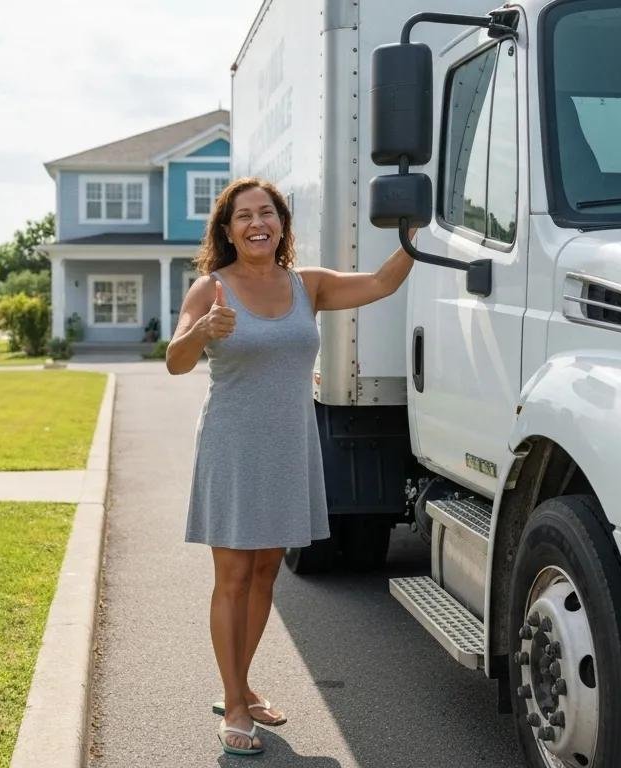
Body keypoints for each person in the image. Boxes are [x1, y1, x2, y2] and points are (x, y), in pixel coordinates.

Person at [166, 177, 416, 756]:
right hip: (232, 447)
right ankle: (233, 704)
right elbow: (176, 362)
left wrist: (417, 236)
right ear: (226, 231)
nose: (257, 223)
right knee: (231, 576)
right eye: (244, 216)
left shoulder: (309, 286)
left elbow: (381, 283)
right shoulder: (211, 288)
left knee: (265, 574)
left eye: (267, 213)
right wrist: (203, 331)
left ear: (282, 223)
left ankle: (243, 685)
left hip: (289, 447)